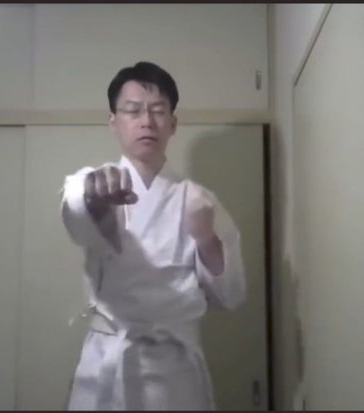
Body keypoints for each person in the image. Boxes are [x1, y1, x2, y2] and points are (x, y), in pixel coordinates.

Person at [60, 61, 246, 410]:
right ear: (114, 122)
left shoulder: (200, 200)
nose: (147, 121)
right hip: (108, 360)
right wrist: (91, 198)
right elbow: (75, 212)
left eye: (158, 111)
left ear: (173, 124)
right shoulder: (97, 185)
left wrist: (206, 239)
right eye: (133, 110)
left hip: (174, 368)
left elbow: (231, 295)